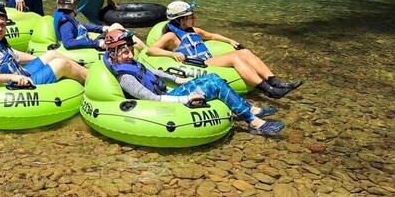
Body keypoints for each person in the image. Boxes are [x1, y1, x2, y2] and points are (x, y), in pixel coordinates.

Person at [104, 29, 284, 135]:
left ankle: (250, 109)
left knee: (215, 78)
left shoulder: (130, 64)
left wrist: (178, 78)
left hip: (169, 92)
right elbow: (152, 99)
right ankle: (254, 122)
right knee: (214, 84)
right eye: (125, 52)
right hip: (164, 103)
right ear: (113, 54)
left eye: (130, 50)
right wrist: (186, 98)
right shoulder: (126, 77)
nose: (130, 55)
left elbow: (152, 72)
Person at [147, 1, 302, 99]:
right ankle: (269, 91)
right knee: (235, 58)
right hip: (197, 64)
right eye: (191, 16)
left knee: (245, 52)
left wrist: (230, 41)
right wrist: (172, 53)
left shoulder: (193, 30)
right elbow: (151, 50)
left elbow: (212, 35)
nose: (194, 18)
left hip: (207, 60)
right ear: (181, 20)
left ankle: (276, 82)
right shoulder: (171, 36)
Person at [0, 2, 88, 89]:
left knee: (52, 54)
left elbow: (15, 55)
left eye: (2, 25)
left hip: (20, 73)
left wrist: (42, 60)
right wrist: (10, 78)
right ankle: (91, 81)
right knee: (62, 64)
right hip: (14, 84)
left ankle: (85, 72)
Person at [54, 0, 145, 50]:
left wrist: (102, 28)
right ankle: (144, 51)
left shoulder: (65, 17)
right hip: (91, 49)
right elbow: (68, 43)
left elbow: (80, 26)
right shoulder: (66, 23)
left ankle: (143, 49)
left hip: (88, 43)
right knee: (120, 32)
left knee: (116, 26)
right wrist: (98, 43)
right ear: (75, 6)